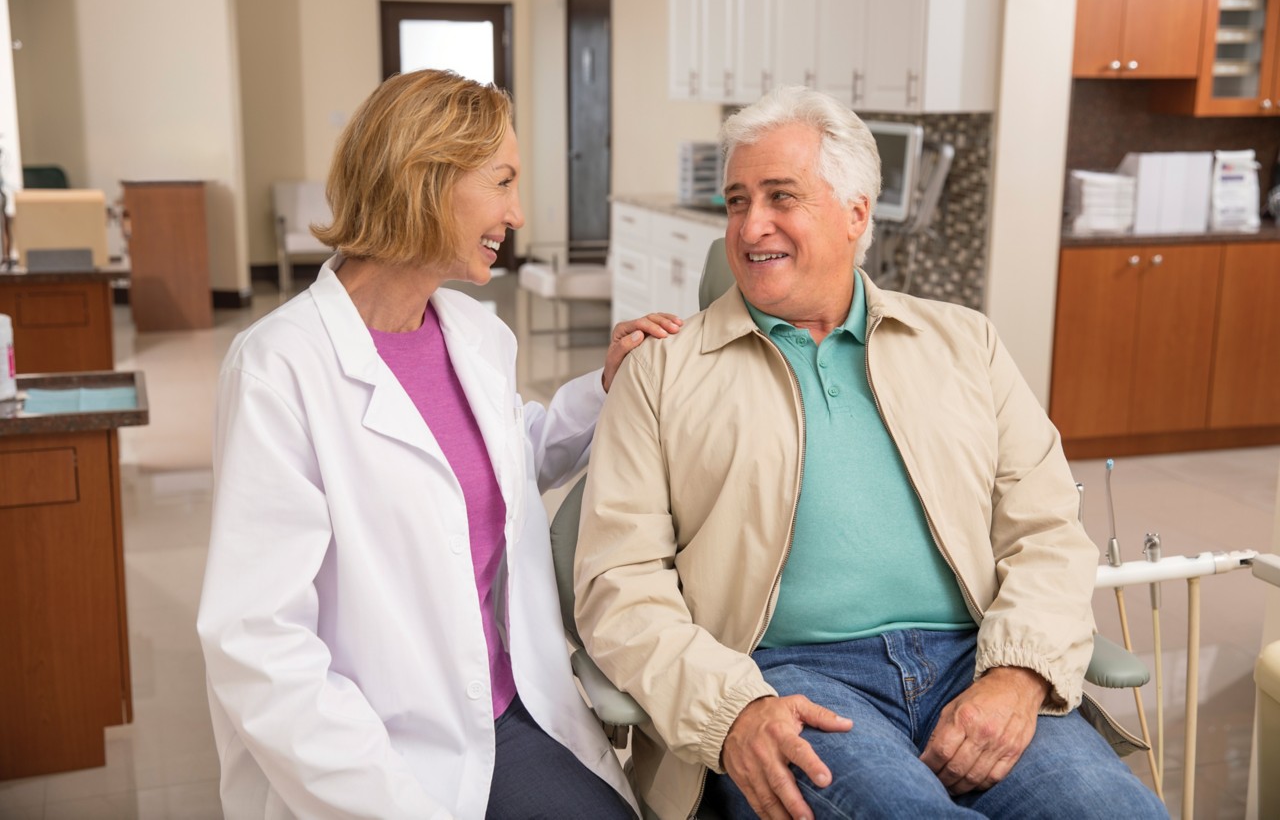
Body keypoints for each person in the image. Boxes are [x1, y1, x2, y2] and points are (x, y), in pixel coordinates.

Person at [573, 86, 1166, 820]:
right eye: (736, 201)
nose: (751, 224)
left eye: (779, 196)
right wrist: (731, 712)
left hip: (975, 661)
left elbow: (1046, 531)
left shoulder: (963, 344)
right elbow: (618, 584)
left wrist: (1019, 674)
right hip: (785, 681)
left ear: (856, 213)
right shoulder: (663, 371)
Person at [197, 69, 680, 819]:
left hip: (503, 718)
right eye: (502, 181)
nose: (517, 212)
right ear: (425, 180)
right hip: (366, 753)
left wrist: (605, 388)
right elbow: (258, 646)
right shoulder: (279, 368)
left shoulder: (474, 333)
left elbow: (501, 462)